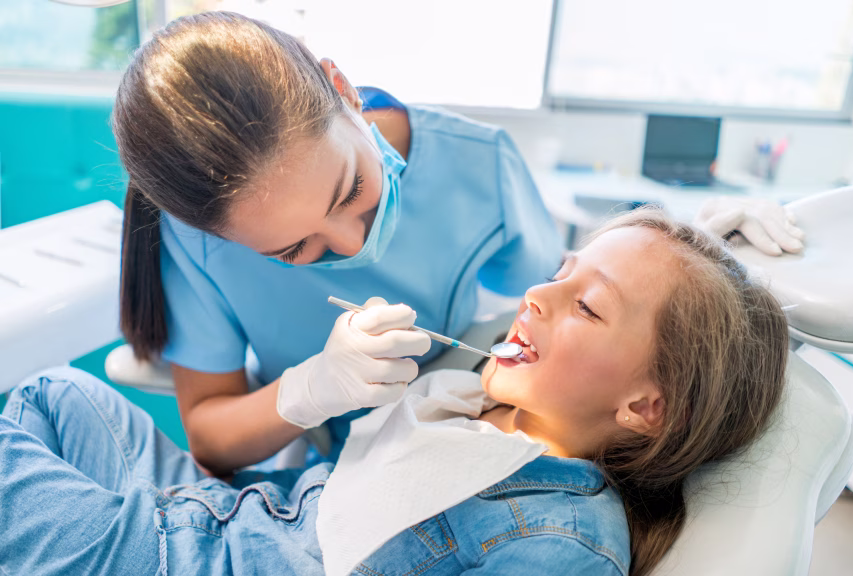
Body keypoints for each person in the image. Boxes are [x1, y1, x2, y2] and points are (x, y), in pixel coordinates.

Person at [0, 209, 788, 576]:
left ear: (647, 407)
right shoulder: (469, 412)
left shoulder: (562, 542)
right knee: (47, 390)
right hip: (226, 512)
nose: (537, 299)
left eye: (585, 304)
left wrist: (701, 293)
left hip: (184, 560)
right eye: (557, 273)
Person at [114, 11, 563, 475]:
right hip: (337, 473)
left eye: (351, 191)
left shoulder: (480, 162)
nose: (353, 245)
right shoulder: (193, 243)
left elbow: (555, 309)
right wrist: (311, 390)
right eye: (291, 249)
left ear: (343, 88)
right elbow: (210, 438)